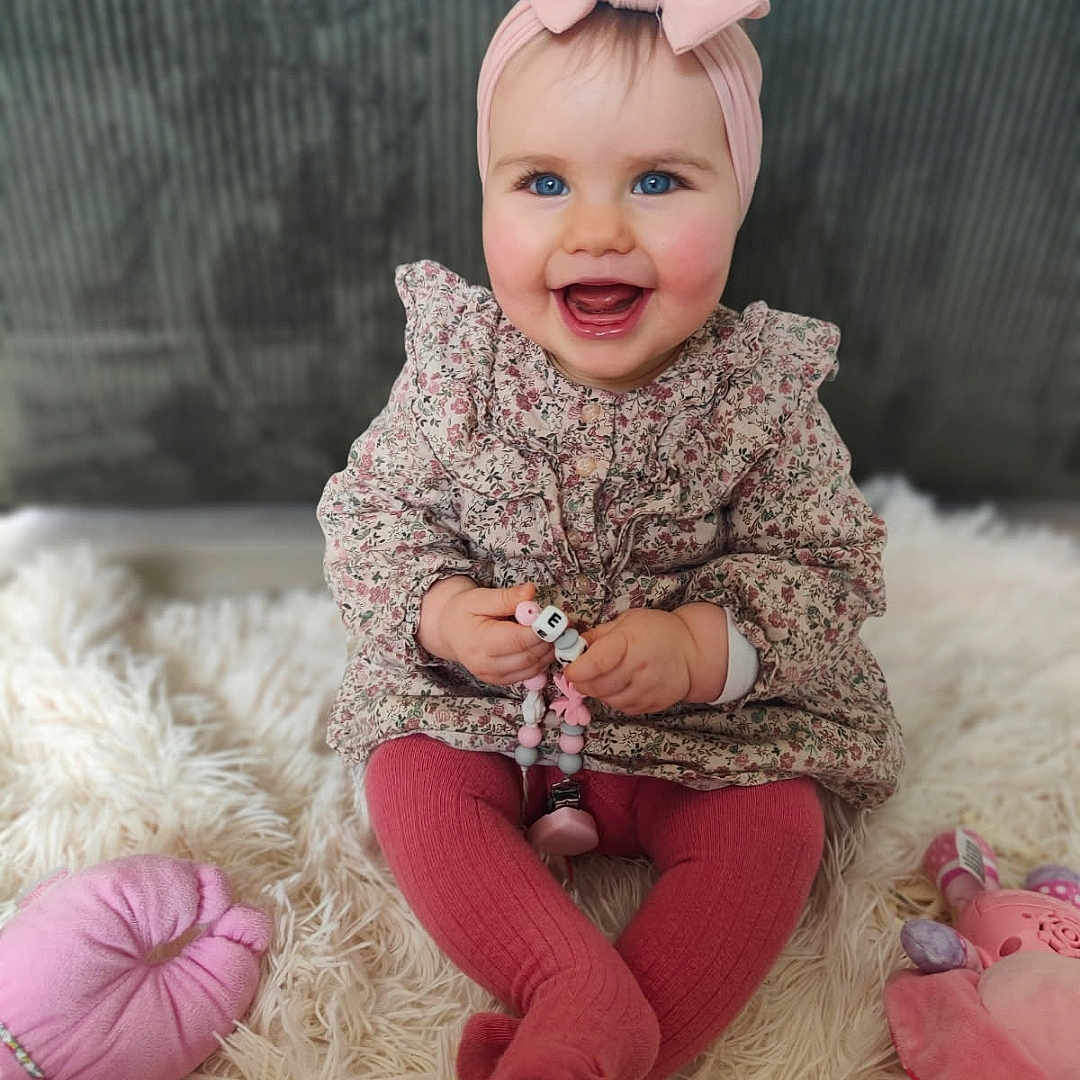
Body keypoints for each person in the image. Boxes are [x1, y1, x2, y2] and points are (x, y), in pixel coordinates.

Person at [317, 2, 903, 1077]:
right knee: (408, 772)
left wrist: (701, 648)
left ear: (738, 204)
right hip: (491, 711)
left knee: (778, 827)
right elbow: (371, 514)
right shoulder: (459, 371)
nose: (596, 231)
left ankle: (587, 1049)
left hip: (709, 741)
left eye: (657, 182)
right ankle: (571, 989)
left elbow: (825, 566)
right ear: (485, 194)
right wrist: (444, 617)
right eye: (542, 183)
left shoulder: (757, 396)